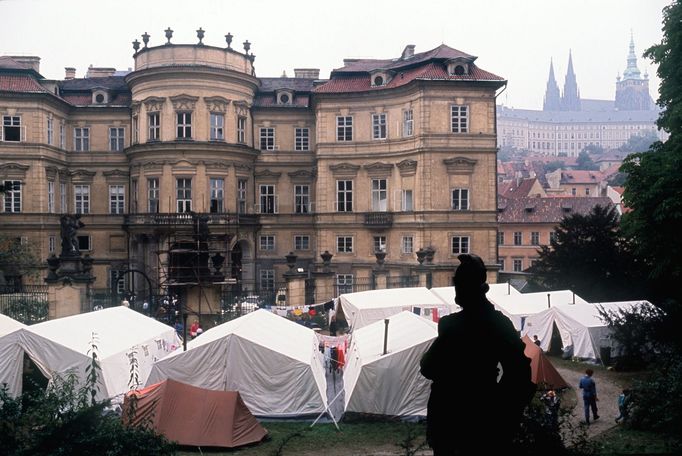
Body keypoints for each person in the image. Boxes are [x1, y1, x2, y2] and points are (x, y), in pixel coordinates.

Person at [420, 253, 535, 455]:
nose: (456, 288)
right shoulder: (499, 323)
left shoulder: (452, 325)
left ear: (466, 287)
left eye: (459, 283)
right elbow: (520, 374)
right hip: (483, 413)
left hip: (452, 416)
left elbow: (428, 367)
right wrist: (501, 410)